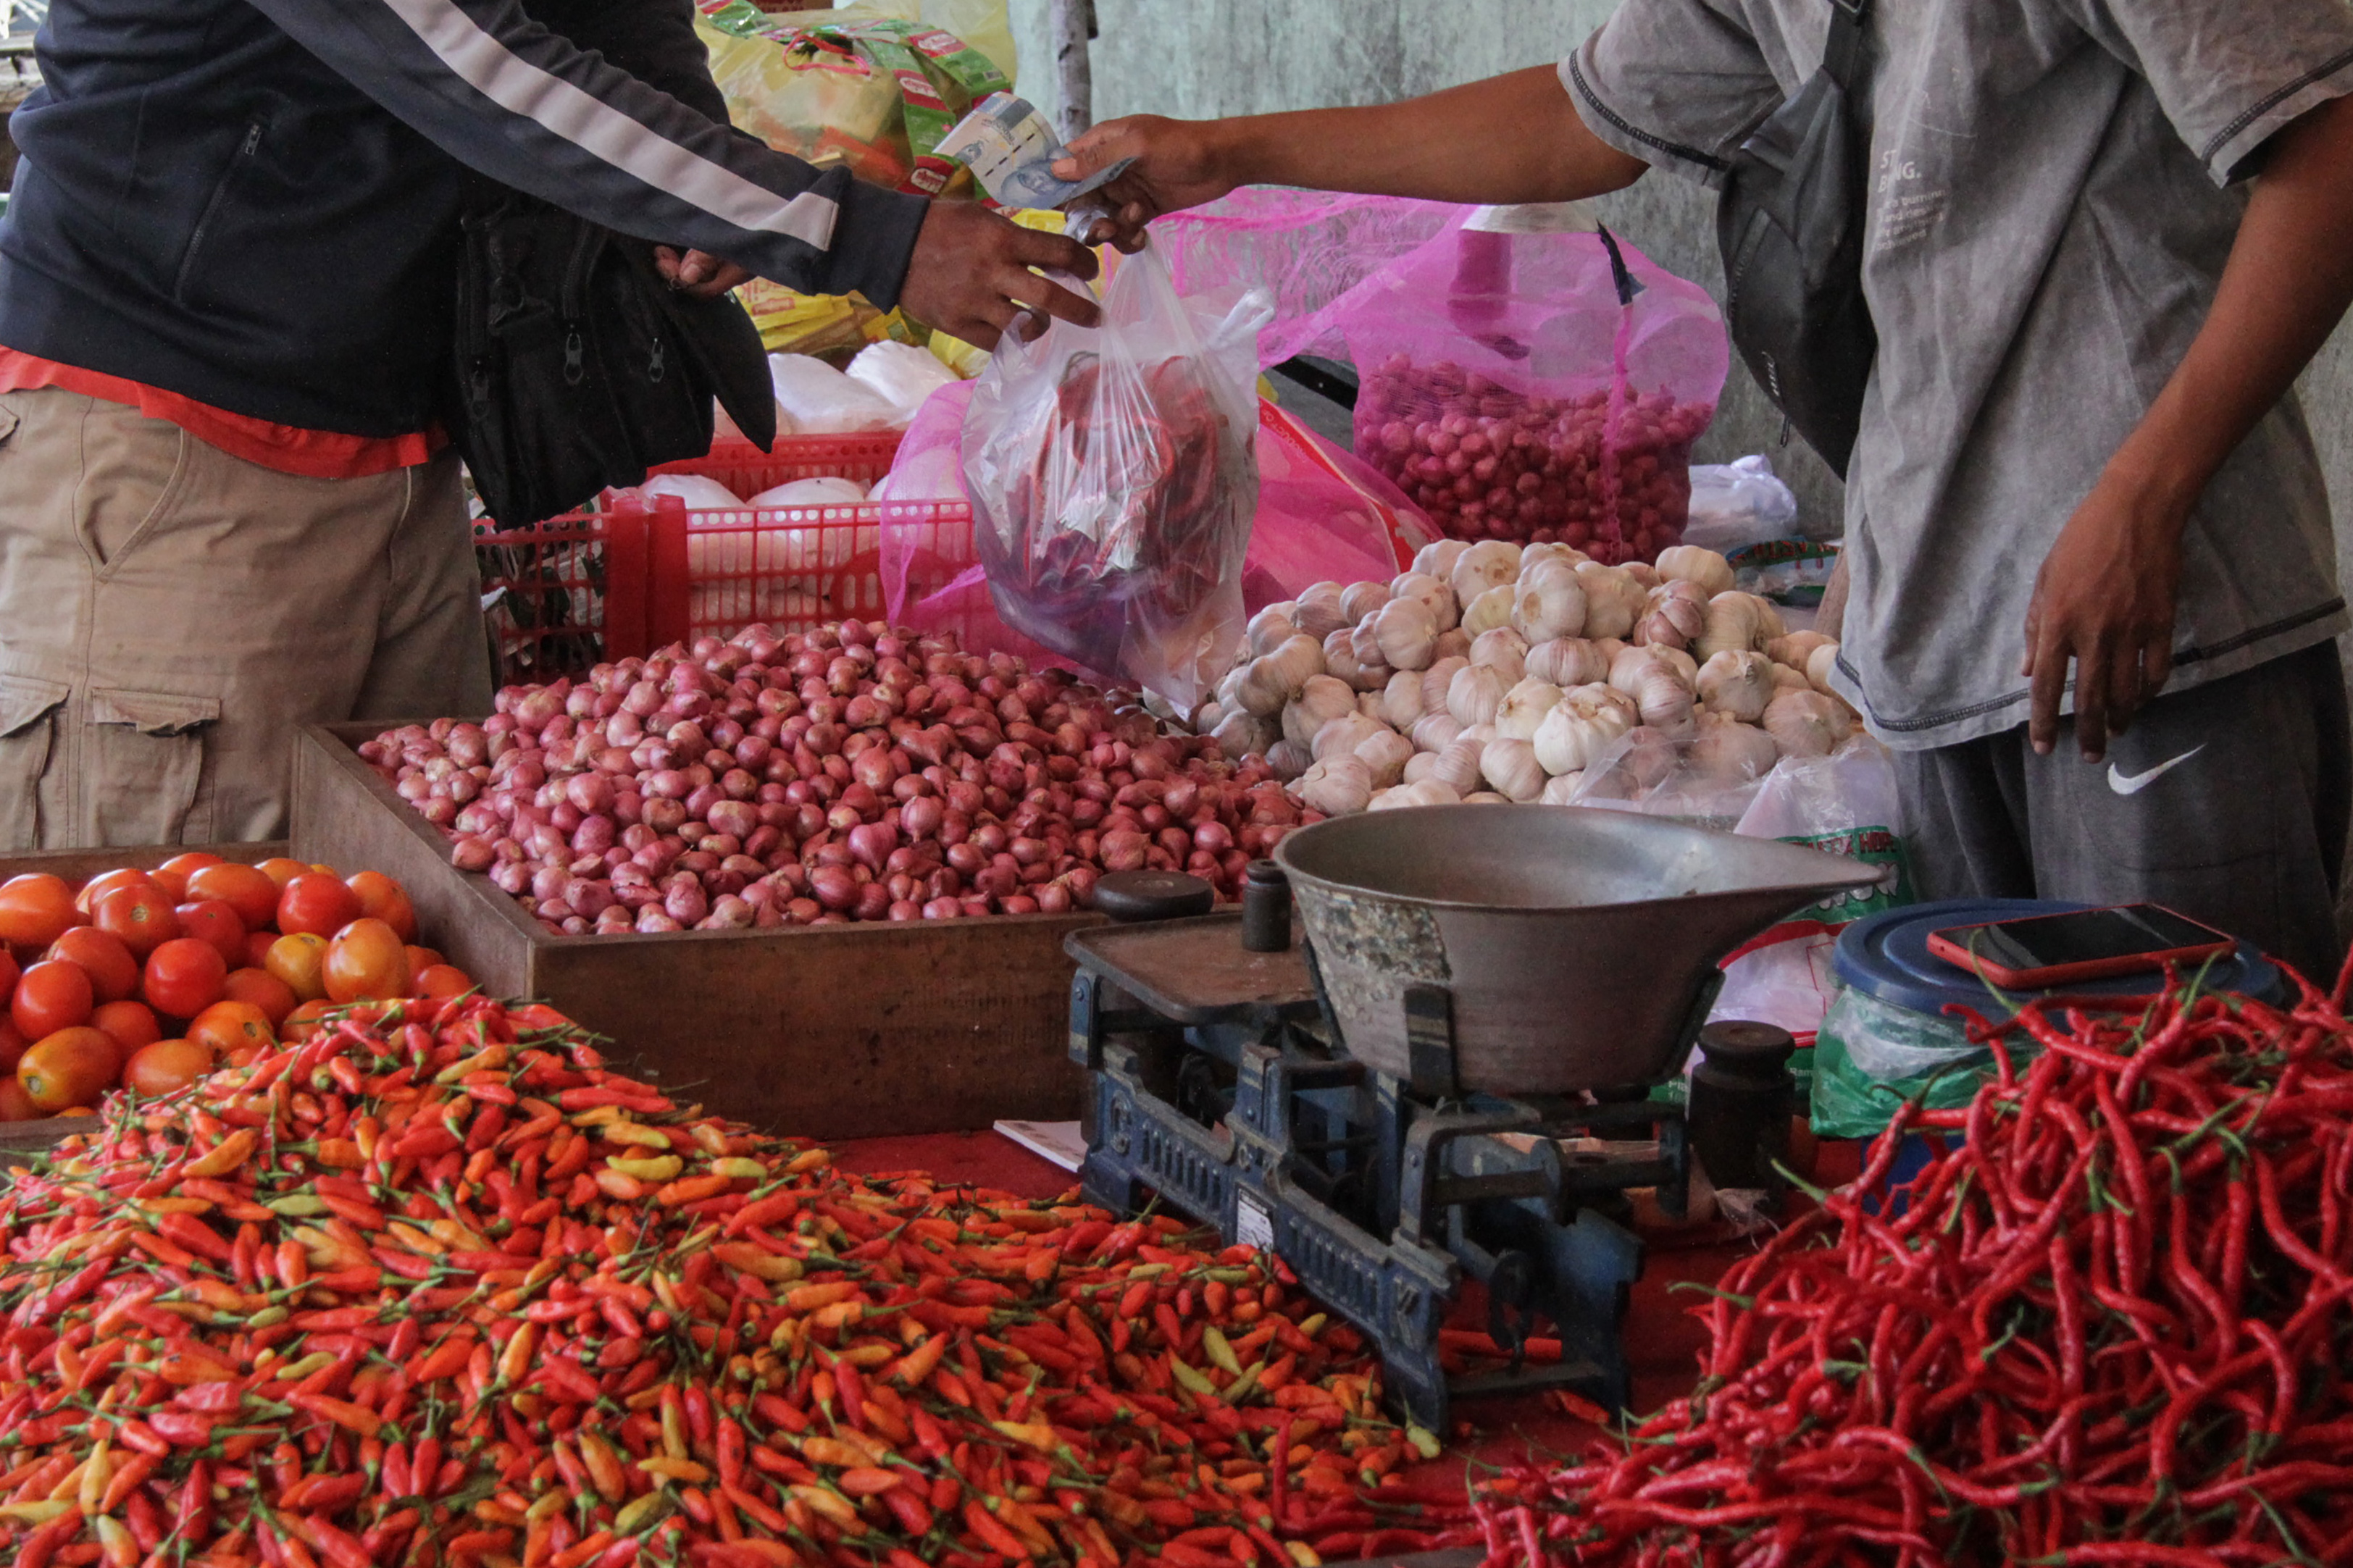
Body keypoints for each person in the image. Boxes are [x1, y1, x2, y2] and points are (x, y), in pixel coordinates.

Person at [1056, 4, 2353, 979]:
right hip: (1950, 624)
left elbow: (2332, 141)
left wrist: (2147, 493)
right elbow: (1585, 118)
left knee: (2206, 1119)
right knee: (2002, 1151)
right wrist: (1226, 151)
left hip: (2153, 619)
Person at [0, 0, 1102, 851]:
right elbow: (464, 58)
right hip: (165, 453)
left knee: (409, 968)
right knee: (160, 999)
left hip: (399, 455)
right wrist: (845, 231)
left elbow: (605, 15)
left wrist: (702, 185)